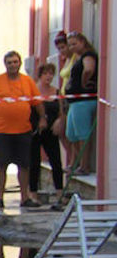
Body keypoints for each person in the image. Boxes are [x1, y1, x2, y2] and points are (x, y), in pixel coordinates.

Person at [0, 51, 47, 209]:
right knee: (1, 165)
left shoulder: (27, 81)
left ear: (20, 64)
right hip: (1, 130)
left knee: (24, 166)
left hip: (23, 130)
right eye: (9, 62)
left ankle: (25, 198)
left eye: (15, 62)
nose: (13, 65)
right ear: (5, 64)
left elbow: (37, 101)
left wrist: (43, 118)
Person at [63, 32, 99, 175]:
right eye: (70, 44)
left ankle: (84, 166)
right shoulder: (76, 58)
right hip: (75, 101)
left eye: (74, 43)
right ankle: (75, 162)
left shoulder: (88, 55)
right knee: (71, 134)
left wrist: (84, 82)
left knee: (82, 134)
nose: (72, 47)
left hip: (83, 101)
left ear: (83, 42)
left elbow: (89, 69)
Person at [30, 63, 64, 195]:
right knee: (34, 162)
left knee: (56, 161)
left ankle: (59, 191)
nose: (49, 76)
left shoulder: (56, 91)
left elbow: (61, 111)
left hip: (51, 131)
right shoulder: (33, 91)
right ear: (40, 75)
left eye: (51, 73)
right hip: (35, 130)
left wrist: (59, 121)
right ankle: (33, 192)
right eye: (46, 73)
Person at [52, 32, 75, 167]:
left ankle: (73, 160)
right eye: (59, 48)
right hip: (64, 98)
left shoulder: (74, 59)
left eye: (63, 47)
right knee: (62, 132)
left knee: (68, 131)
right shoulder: (65, 60)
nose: (62, 51)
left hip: (71, 98)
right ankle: (72, 157)